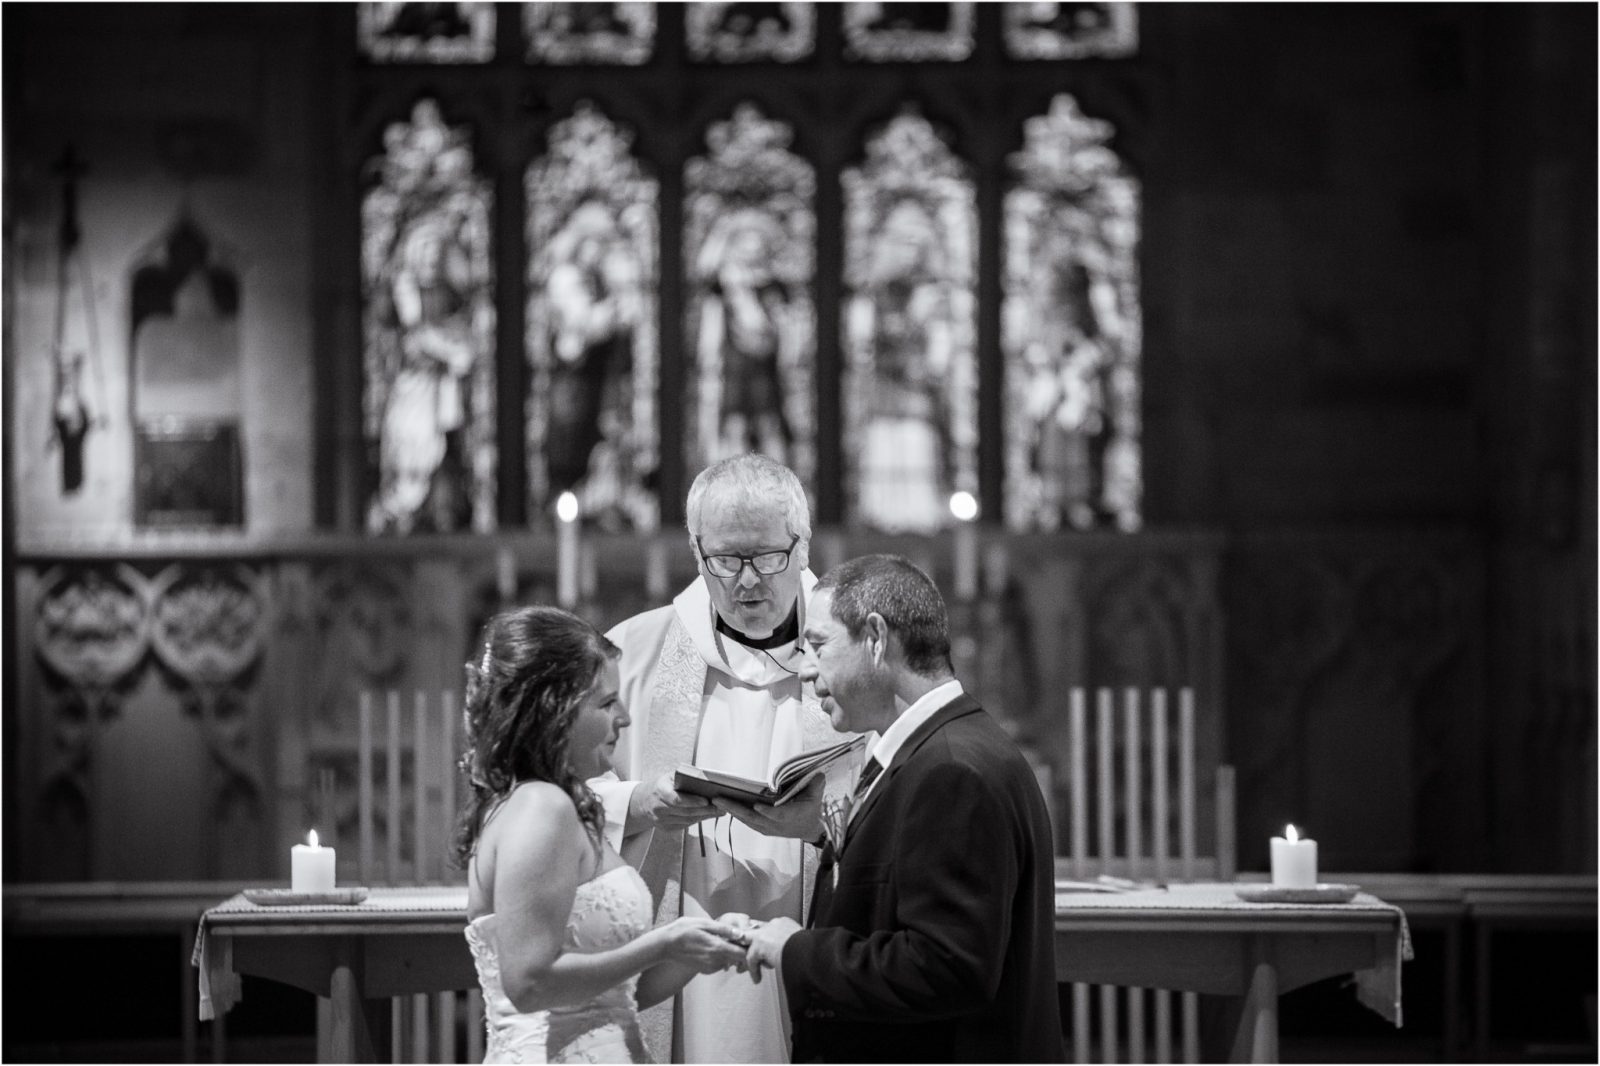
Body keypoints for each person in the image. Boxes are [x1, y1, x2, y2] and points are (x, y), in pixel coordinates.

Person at [590, 453, 863, 1062]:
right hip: (675, 946)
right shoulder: (631, 654)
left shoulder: (855, 657)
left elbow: (901, 799)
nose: (747, 581)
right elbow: (561, 793)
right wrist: (639, 801)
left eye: (767, 557)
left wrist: (821, 828)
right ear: (695, 550)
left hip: (812, 936)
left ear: (803, 546)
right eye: (725, 559)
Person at [744, 555, 1063, 1063]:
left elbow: (947, 967)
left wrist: (796, 951)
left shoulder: (952, 771)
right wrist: (823, 833)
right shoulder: (939, 750)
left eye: (819, 647)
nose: (805, 669)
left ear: (875, 638)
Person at [457, 606, 750, 1063]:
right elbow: (529, 982)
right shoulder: (539, 807)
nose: (625, 718)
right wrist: (662, 943)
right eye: (607, 702)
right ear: (555, 708)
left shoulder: (564, 805)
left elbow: (617, 993)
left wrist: (696, 946)